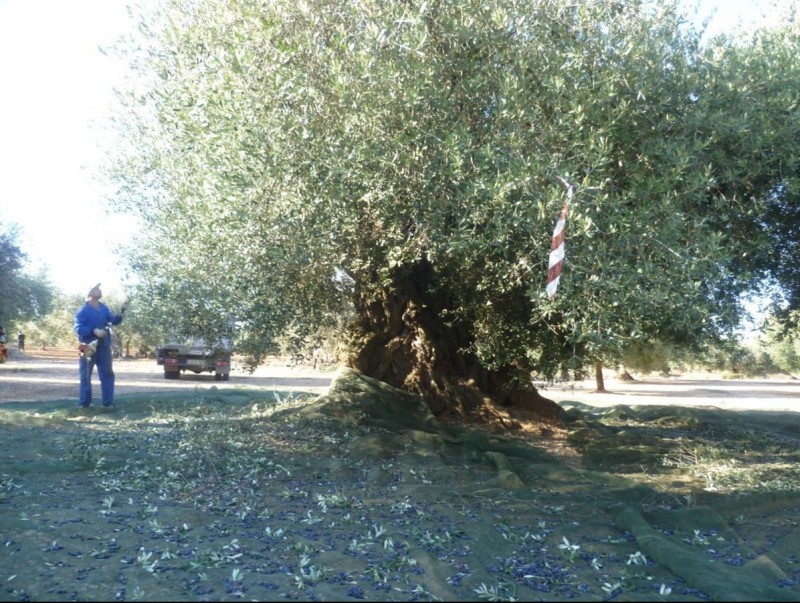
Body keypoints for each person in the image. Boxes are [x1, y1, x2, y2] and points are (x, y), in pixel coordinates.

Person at [73, 284, 129, 408]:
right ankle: (84, 404)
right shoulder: (82, 310)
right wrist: (93, 330)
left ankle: (108, 403)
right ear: (90, 293)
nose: (100, 290)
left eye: (100, 289)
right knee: (85, 375)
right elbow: (77, 328)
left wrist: (122, 312)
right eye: (96, 289)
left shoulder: (104, 308)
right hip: (85, 346)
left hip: (104, 345)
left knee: (108, 374)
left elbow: (113, 321)